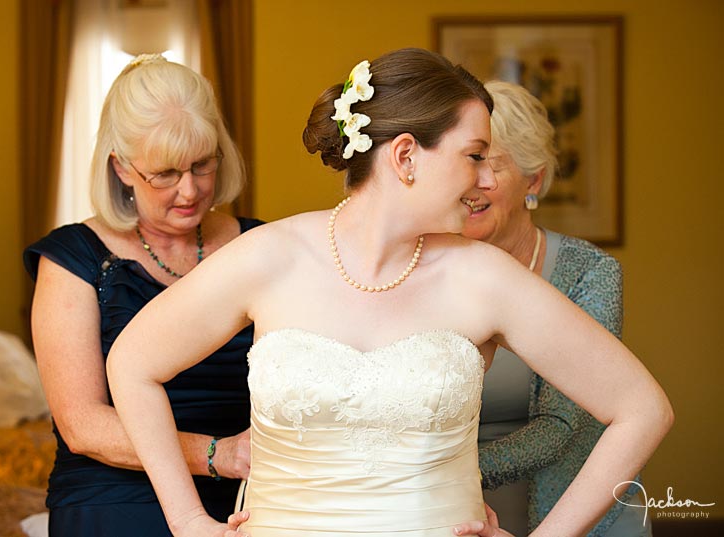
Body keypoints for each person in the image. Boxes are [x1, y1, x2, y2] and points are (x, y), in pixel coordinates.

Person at [105, 48, 673, 537]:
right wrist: (186, 520)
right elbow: (132, 362)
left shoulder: (486, 278)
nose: (485, 179)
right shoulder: (269, 257)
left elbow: (642, 409)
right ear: (404, 157)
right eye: (474, 156)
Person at [23, 54, 261, 536]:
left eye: (202, 164)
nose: (190, 190)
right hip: (116, 486)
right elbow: (82, 425)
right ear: (122, 168)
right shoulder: (73, 259)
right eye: (166, 174)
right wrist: (221, 454)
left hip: (248, 484)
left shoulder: (258, 246)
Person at [464, 80, 651, 536]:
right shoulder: (422, 265)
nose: (473, 184)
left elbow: (560, 426)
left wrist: (429, 476)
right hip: (455, 515)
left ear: (535, 180)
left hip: (572, 513)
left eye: (492, 165)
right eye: (465, 163)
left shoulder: (589, 272)